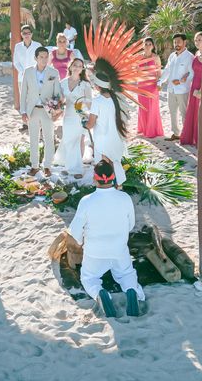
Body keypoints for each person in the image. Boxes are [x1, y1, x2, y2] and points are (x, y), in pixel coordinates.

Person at [68, 160, 145, 318]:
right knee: (127, 274)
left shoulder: (87, 201)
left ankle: (101, 293)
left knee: (89, 278)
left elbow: (75, 230)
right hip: (119, 250)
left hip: (95, 252)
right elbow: (130, 225)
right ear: (113, 177)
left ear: (95, 179)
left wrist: (81, 242)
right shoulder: (124, 198)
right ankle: (131, 290)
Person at [20, 46, 62, 177]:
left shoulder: (53, 72)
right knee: (33, 138)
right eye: (41, 57)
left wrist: (57, 111)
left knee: (49, 138)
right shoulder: (28, 72)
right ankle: (34, 166)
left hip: (47, 111)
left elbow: (57, 93)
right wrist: (23, 111)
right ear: (36, 58)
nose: (44, 59)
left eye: (46, 56)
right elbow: (24, 93)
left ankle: (48, 166)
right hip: (32, 110)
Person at [53, 58, 93, 178]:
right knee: (68, 140)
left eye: (80, 66)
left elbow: (90, 102)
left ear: (82, 69)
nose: (77, 67)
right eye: (75, 65)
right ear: (70, 67)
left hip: (80, 115)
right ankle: (69, 166)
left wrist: (90, 115)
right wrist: (56, 106)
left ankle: (77, 168)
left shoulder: (85, 84)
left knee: (79, 140)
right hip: (68, 115)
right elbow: (60, 100)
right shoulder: (63, 82)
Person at [85, 80, 128, 187]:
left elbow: (90, 124)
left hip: (102, 139)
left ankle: (106, 186)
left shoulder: (97, 101)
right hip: (116, 136)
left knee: (104, 165)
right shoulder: (117, 98)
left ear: (98, 86)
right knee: (114, 161)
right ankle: (119, 185)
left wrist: (84, 122)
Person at [157, 33, 194, 141]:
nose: (176, 44)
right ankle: (176, 133)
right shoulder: (172, 56)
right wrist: (160, 81)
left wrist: (182, 81)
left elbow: (192, 73)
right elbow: (167, 71)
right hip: (170, 89)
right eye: (174, 42)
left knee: (184, 113)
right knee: (173, 112)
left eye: (178, 41)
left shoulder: (190, 57)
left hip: (183, 90)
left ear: (184, 42)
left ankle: (186, 135)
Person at [13, 25, 42, 131]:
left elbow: (41, 60)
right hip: (22, 77)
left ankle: (38, 122)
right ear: (21, 34)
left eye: (28, 33)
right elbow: (15, 61)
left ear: (31, 34)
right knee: (23, 99)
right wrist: (23, 71)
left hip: (35, 76)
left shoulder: (37, 45)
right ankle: (25, 123)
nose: (26, 35)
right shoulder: (18, 46)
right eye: (24, 33)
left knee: (36, 98)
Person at [180, 32, 202, 147]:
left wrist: (201, 90)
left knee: (200, 113)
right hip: (193, 85)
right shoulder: (197, 53)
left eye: (199, 39)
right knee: (192, 111)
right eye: (195, 40)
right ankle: (191, 137)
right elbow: (192, 70)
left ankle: (200, 139)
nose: (197, 42)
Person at [137, 37, 164, 138]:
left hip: (152, 86)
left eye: (150, 44)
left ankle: (152, 130)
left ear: (153, 46)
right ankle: (143, 128)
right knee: (143, 107)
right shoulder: (138, 57)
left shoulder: (156, 57)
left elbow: (159, 73)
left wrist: (159, 84)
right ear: (143, 45)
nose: (148, 46)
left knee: (152, 107)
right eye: (146, 44)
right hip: (142, 86)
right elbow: (136, 72)